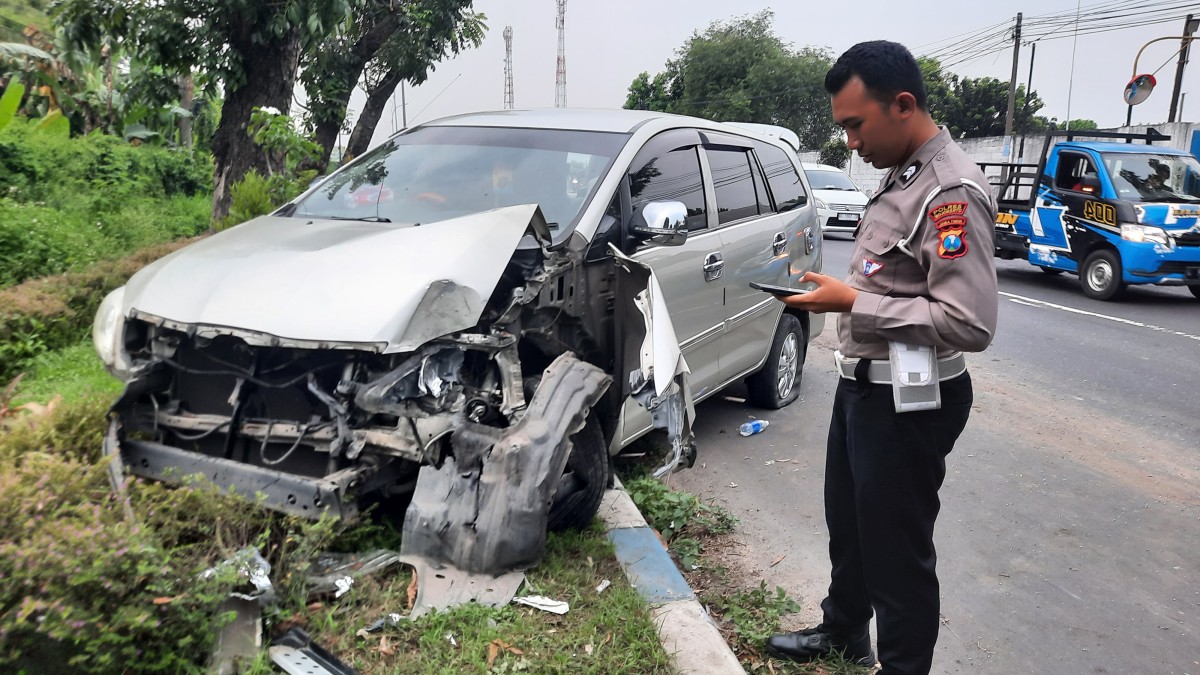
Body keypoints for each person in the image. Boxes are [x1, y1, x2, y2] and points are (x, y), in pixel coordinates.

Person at [766, 41, 998, 675]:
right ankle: (843, 632)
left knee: (898, 556)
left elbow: (969, 322)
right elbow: (892, 279)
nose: (850, 143)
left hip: (909, 402)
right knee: (850, 527)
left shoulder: (950, 190)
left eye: (854, 125)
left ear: (902, 105)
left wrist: (854, 304)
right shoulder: (903, 174)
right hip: (865, 390)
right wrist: (834, 293)